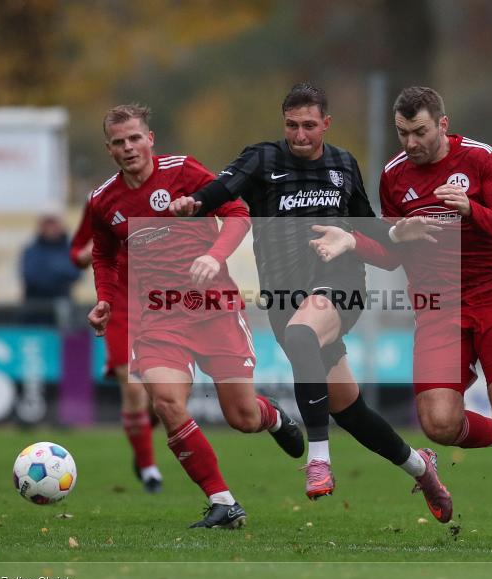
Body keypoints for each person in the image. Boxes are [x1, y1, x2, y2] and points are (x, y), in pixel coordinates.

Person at [169, 83, 453, 525]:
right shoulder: (263, 159)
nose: (300, 135)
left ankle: (319, 459)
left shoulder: (343, 164)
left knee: (304, 334)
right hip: (285, 297)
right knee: (350, 409)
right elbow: (222, 189)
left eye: (308, 126)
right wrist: (196, 202)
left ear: (326, 124)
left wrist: (399, 233)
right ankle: (421, 467)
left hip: (341, 283)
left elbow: (369, 225)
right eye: (291, 126)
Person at [309, 86, 492, 550]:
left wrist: (471, 210)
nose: (411, 143)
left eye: (419, 132)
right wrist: (353, 242)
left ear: (442, 123)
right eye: (402, 133)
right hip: (437, 306)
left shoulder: (480, 160)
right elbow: (393, 254)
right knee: (439, 423)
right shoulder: (394, 177)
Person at [86, 103, 304, 529]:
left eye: (135, 138)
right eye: (119, 142)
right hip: (160, 317)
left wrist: (213, 253)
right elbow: (104, 255)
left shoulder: (183, 171)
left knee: (242, 418)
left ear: (150, 139)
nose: (129, 147)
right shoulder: (103, 201)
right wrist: (105, 300)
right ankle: (223, 501)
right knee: (167, 402)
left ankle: (271, 415)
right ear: (109, 150)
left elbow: (238, 212)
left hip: (213, 308)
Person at [70, 205, 163, 493]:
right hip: (119, 308)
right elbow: (76, 250)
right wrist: (84, 256)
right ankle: (148, 468)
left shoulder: (166, 193)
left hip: (160, 306)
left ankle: (143, 433)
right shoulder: (102, 201)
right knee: (132, 387)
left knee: (161, 396)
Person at [21, 214, 81, 302]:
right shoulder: (30, 251)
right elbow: (30, 277)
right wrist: (59, 271)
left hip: (63, 305)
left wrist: (46, 268)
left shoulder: (71, 249)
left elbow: (75, 274)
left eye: (53, 223)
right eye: (47, 223)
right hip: (35, 308)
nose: (50, 227)